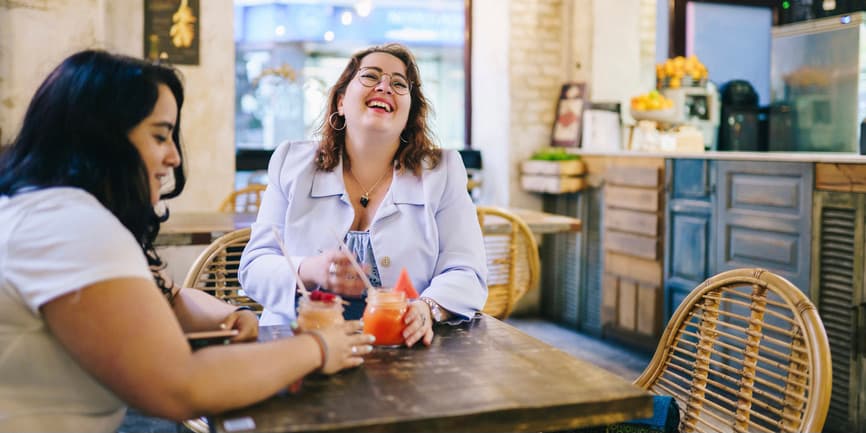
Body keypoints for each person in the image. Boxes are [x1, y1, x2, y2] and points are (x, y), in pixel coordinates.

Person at [0, 50, 373, 433]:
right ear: (100, 137)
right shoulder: (68, 224)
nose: (175, 157)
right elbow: (181, 385)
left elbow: (162, 297)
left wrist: (227, 315)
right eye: (160, 135)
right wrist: (318, 348)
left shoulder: (47, 208)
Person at [239, 43, 488, 347]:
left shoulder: (442, 171)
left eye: (399, 83)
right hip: (299, 342)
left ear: (410, 114)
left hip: (401, 349)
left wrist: (428, 307)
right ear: (341, 102)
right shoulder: (291, 163)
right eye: (371, 76)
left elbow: (467, 271)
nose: (385, 86)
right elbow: (254, 266)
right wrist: (311, 270)